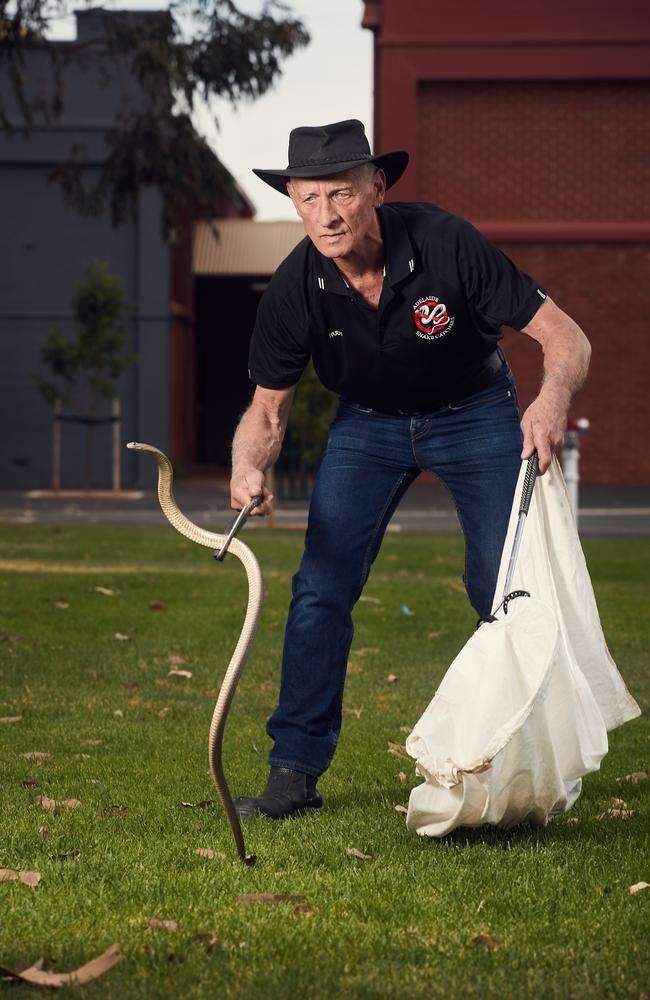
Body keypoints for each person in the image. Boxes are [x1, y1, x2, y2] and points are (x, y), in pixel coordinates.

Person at [229, 119, 591, 820]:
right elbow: (265, 414)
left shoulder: (445, 243)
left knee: (503, 587)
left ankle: (516, 771)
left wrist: (549, 403)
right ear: (293, 202)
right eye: (308, 198)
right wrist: (248, 468)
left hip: (476, 411)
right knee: (320, 590)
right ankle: (293, 773)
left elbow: (564, 337)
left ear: (377, 188)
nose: (326, 215)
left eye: (340, 194)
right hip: (367, 425)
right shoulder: (293, 289)